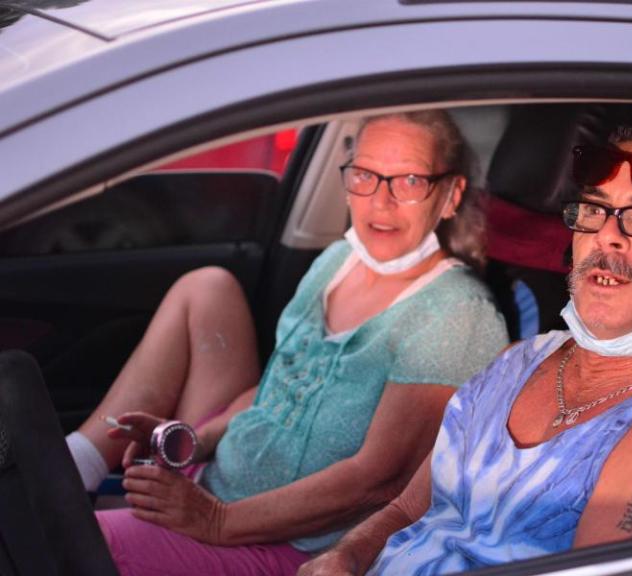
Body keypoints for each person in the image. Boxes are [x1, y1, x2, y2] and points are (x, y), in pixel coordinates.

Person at [65, 110, 508, 575]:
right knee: (207, 287)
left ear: (450, 195)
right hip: (222, 485)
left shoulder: (456, 315)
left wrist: (216, 521)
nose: (381, 201)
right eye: (366, 175)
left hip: (289, 547)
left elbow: (379, 482)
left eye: (410, 181)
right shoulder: (338, 260)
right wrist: (195, 442)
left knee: (69, 540)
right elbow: (274, 392)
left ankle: (64, 486)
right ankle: (79, 463)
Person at [298, 124, 632, 575]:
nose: (608, 237)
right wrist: (345, 556)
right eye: (595, 211)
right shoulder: (518, 361)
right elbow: (406, 511)